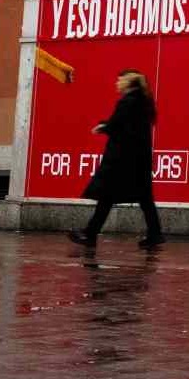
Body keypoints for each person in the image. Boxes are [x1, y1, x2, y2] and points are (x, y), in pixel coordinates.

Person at [69, 70, 164, 249]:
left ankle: (90, 234)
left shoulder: (127, 102)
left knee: (107, 196)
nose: (116, 84)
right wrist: (107, 125)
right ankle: (155, 233)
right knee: (144, 197)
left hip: (122, 160)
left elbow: (117, 125)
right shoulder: (144, 101)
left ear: (128, 82)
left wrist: (103, 127)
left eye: (119, 80)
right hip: (139, 159)